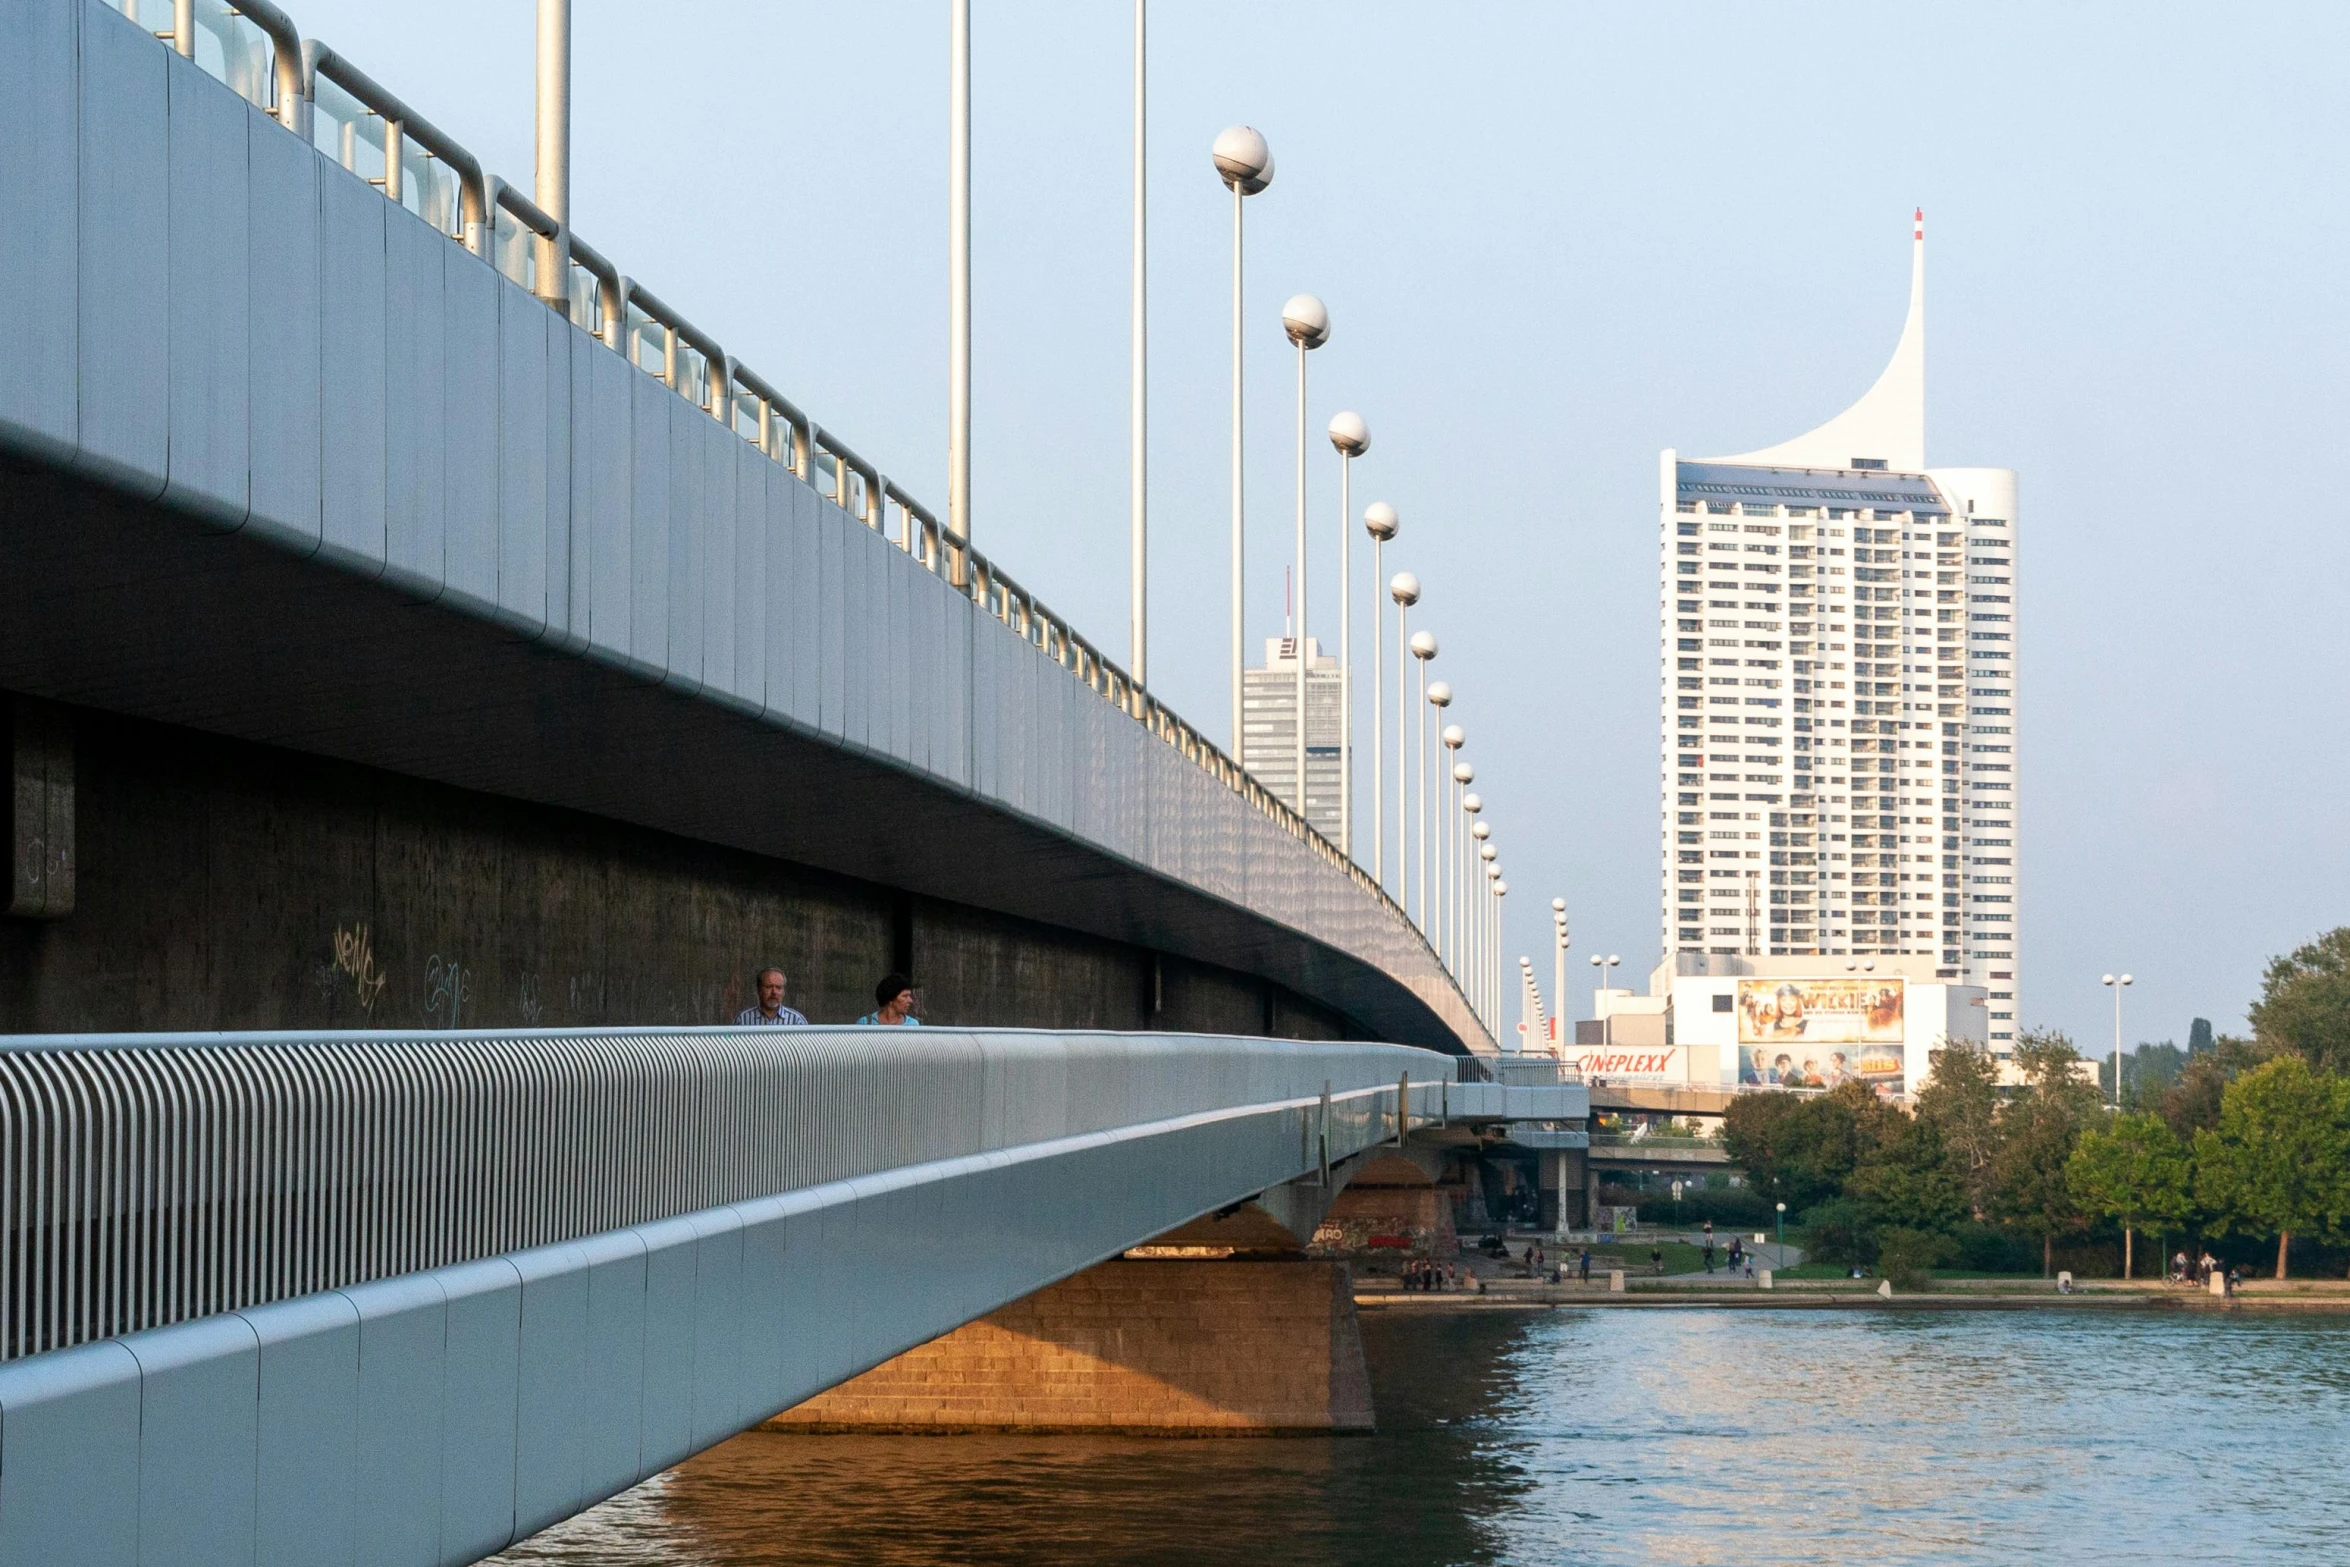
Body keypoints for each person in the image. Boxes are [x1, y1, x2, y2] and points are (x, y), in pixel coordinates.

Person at [735, 967, 808, 1026]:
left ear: (783, 992)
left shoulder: (796, 1020)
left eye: (778, 987)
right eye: (769, 987)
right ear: (759, 990)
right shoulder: (743, 1019)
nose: (774, 992)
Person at [857, 972, 922, 1026]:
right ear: (890, 999)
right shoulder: (865, 1023)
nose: (910, 1000)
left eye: (909, 996)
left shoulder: (912, 1024)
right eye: (905, 996)